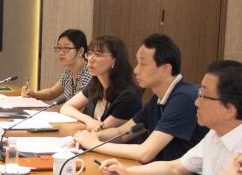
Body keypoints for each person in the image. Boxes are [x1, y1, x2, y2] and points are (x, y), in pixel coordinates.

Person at [98, 60, 242, 175]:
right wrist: (127, 172)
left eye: (203, 96)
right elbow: (176, 168)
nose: (196, 102)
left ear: (229, 110)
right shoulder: (216, 132)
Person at [72, 33, 205, 165]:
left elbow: (145, 153)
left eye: (143, 64)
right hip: (156, 172)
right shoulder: (157, 98)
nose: (136, 70)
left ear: (165, 68)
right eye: (137, 63)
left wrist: (93, 144)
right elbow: (122, 132)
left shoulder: (183, 98)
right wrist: (93, 136)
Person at [56, 34, 141, 132]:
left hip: (108, 141)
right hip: (90, 138)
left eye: (98, 54)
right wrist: (88, 120)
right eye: (89, 54)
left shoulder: (128, 96)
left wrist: (90, 123)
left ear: (115, 60)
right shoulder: (95, 83)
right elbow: (66, 107)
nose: (91, 59)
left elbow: (101, 130)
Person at [21, 28, 91, 103]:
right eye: (59, 48)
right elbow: (52, 92)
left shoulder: (88, 74)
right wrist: (33, 94)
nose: (60, 52)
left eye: (66, 48)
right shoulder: (69, 72)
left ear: (80, 51)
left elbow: (78, 106)